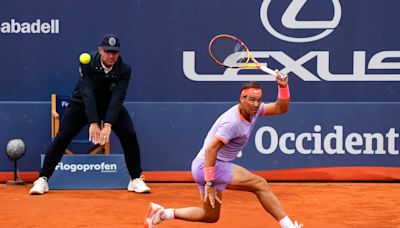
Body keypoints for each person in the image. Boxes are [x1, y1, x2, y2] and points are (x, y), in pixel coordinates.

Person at [144, 73, 303, 228]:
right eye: (251, 100)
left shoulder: (254, 111)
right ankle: (288, 226)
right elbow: (211, 150)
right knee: (260, 184)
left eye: (259, 100)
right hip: (209, 166)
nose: (255, 104)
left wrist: (283, 86)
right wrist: (209, 182)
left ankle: (162, 214)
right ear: (242, 99)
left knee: (210, 216)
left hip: (208, 165)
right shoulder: (232, 123)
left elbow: (280, 108)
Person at [29, 34, 150, 195]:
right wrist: (93, 122)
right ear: (100, 50)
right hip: (82, 104)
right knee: (63, 136)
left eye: (115, 52)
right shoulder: (87, 63)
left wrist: (107, 124)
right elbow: (87, 92)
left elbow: (117, 97)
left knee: (129, 134)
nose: (111, 56)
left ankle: (135, 179)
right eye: (107, 51)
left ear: (119, 53)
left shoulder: (124, 70)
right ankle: (42, 179)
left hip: (109, 106)